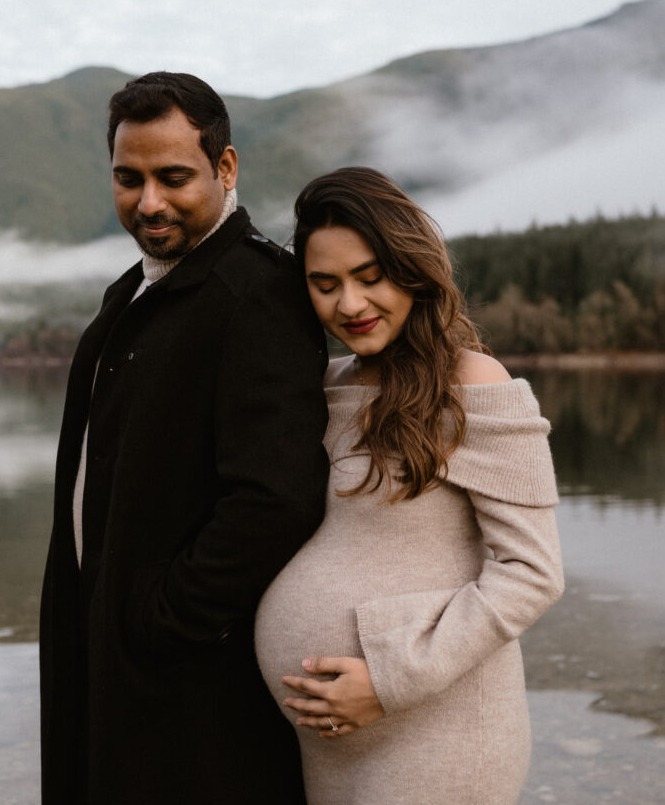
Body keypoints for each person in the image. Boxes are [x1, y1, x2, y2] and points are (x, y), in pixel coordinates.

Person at [39, 71, 329, 805]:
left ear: (225, 169)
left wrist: (157, 621)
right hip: (111, 659)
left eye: (173, 177)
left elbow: (276, 500)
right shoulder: (132, 291)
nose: (148, 201)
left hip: (187, 693)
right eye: (127, 178)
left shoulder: (257, 293)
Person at [255, 167, 564, 805]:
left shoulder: (475, 382)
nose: (350, 305)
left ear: (412, 269)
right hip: (330, 749)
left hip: (440, 734)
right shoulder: (327, 384)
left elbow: (533, 573)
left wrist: (389, 680)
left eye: (371, 277)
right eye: (325, 284)